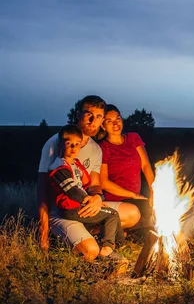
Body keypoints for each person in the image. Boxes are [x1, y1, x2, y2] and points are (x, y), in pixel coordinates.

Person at [37, 95, 140, 260]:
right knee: (90, 252)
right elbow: (42, 188)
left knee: (133, 213)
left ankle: (92, 236)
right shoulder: (57, 142)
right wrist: (43, 232)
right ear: (78, 114)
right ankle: (66, 238)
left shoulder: (95, 149)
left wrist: (97, 198)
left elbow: (94, 184)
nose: (93, 120)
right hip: (62, 210)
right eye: (89, 114)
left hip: (85, 205)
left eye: (99, 117)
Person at [48, 125, 124, 260]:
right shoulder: (59, 166)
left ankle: (118, 245)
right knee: (112, 215)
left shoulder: (75, 164)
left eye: (77, 144)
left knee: (108, 213)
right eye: (69, 144)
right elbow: (72, 190)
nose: (73, 148)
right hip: (70, 207)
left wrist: (97, 199)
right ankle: (109, 249)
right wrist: (90, 201)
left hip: (77, 204)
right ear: (60, 144)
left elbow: (87, 183)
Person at [99, 104, 155, 240]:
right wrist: (134, 195)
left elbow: (146, 166)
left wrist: (154, 191)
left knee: (153, 213)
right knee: (143, 216)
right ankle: (102, 233)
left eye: (118, 118)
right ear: (102, 126)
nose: (115, 124)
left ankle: (123, 234)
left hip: (136, 197)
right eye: (109, 121)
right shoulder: (103, 147)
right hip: (116, 199)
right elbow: (104, 182)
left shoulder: (133, 138)